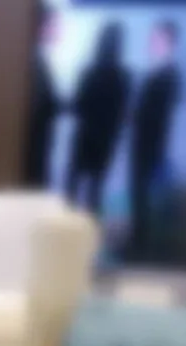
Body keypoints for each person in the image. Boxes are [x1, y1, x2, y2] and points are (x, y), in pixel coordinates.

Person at [129, 20, 183, 260]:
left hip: (154, 143)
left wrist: (139, 114)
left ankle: (144, 244)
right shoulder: (152, 72)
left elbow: (160, 111)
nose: (152, 43)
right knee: (138, 191)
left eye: (157, 39)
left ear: (170, 42)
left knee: (147, 193)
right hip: (141, 141)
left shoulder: (171, 75)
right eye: (152, 39)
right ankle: (138, 239)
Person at [66, 22, 131, 215]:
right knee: (96, 189)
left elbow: (77, 106)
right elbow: (123, 114)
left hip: (84, 137)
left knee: (73, 186)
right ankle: (89, 224)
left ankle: (67, 222)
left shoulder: (89, 72)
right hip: (105, 141)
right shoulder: (123, 77)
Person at [23, 2, 62, 189]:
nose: (58, 30)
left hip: (37, 147)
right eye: (54, 25)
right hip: (30, 150)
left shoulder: (39, 60)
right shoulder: (31, 62)